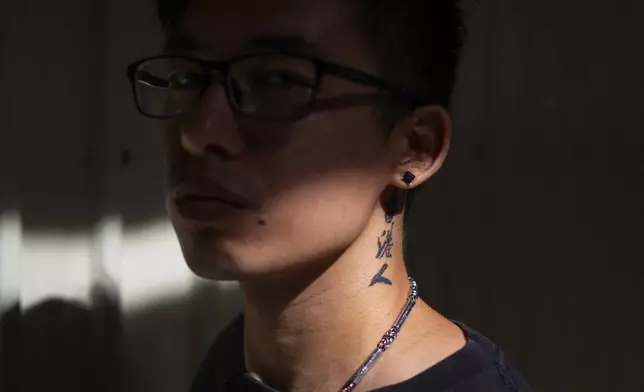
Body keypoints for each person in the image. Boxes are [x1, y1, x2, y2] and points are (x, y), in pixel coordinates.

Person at [127, 0, 532, 390]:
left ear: (415, 146)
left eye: (277, 81)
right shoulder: (238, 359)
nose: (197, 133)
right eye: (186, 78)